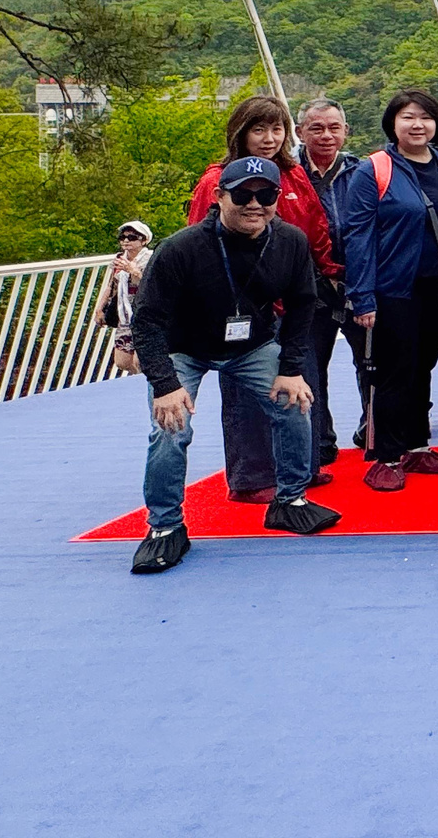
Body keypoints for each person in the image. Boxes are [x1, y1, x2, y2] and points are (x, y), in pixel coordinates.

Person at [128, 156, 340, 573]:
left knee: (296, 402)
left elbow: (301, 306)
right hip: (182, 347)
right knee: (170, 428)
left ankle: (290, 499)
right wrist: (165, 384)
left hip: (251, 344)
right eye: (242, 194)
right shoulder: (181, 248)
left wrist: (291, 367)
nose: (254, 204)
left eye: (266, 195)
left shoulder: (290, 241)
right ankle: (165, 527)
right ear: (220, 196)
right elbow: (147, 319)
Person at [186, 95, 343, 502]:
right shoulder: (216, 180)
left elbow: (316, 228)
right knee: (247, 395)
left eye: (277, 129)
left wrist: (331, 275)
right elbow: (201, 243)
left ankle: (300, 468)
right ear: (240, 133)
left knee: (300, 382)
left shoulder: (292, 175)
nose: (269, 138)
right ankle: (252, 477)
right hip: (244, 305)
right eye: (259, 129)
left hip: (295, 300)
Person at [338, 89, 438, 493]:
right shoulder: (373, 169)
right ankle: (385, 455)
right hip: (392, 288)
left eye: (426, 117)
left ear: (437, 124)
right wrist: (362, 296)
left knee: (422, 367)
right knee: (392, 372)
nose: (418, 125)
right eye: (408, 117)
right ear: (393, 123)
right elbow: (356, 236)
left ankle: (415, 444)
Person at [296, 99, 365, 461]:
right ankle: (319, 442)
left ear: (345, 131)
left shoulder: (362, 172)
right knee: (310, 365)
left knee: (371, 361)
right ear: (299, 132)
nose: (326, 135)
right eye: (316, 128)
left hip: (358, 281)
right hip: (306, 287)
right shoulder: (287, 172)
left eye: (334, 128)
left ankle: (373, 431)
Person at [94, 220, 153, 375]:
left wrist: (134, 271)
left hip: (147, 315)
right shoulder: (119, 259)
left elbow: (153, 286)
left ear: (144, 240)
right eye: (123, 237)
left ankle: (155, 385)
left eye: (132, 237)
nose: (126, 241)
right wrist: (99, 309)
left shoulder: (152, 259)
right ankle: (143, 380)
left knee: (140, 360)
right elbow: (111, 285)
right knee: (122, 362)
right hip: (125, 315)